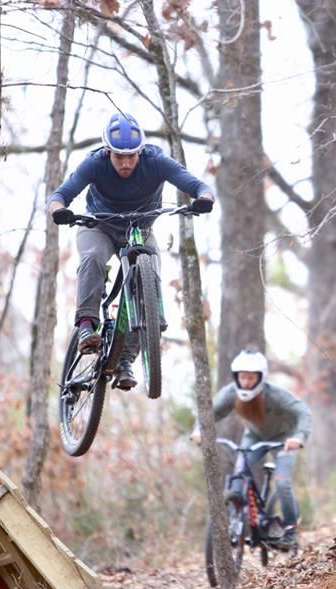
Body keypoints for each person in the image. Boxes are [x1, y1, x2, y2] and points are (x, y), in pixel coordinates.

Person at [47, 112, 215, 391]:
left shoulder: (156, 161)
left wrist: (204, 199)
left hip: (140, 229)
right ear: (107, 152)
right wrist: (59, 211)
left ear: (140, 152)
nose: (125, 163)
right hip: (98, 225)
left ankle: (126, 360)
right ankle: (87, 325)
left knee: (148, 274)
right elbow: (60, 195)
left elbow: (198, 185)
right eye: (118, 157)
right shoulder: (95, 163)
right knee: (92, 258)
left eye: (131, 156)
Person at [192, 350, 311, 548]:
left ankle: (290, 531)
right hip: (254, 437)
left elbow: (303, 412)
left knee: (282, 482)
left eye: (251, 378)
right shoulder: (232, 393)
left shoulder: (274, 394)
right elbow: (209, 413)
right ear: (236, 377)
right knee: (238, 475)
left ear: (260, 377)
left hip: (284, 439)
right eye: (242, 377)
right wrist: (198, 430)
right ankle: (235, 522)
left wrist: (298, 437)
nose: (246, 382)